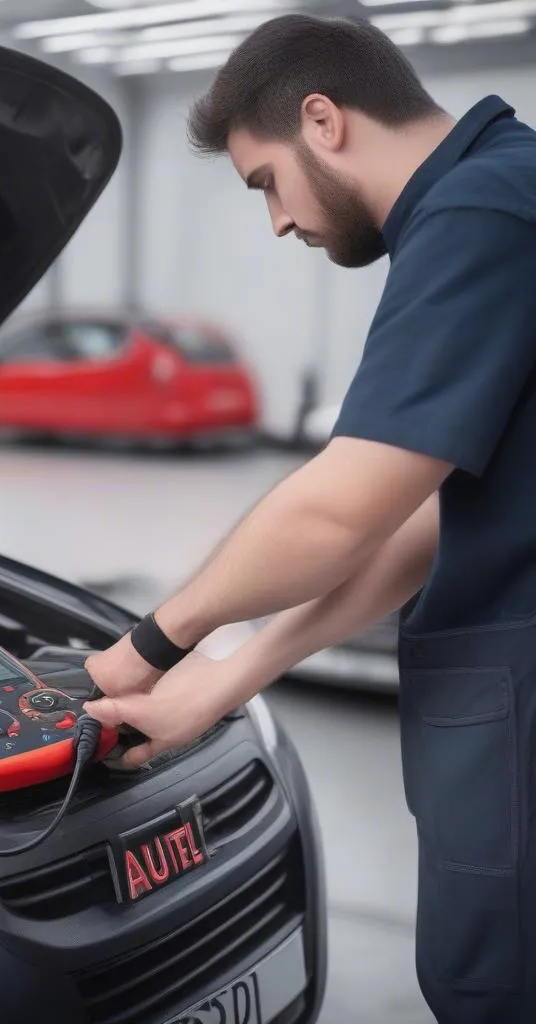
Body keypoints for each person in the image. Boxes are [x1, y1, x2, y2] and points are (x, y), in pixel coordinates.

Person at [81, 14, 536, 1024]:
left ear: (321, 121)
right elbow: (417, 518)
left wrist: (150, 645)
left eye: (264, 184)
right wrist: (226, 680)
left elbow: (337, 508)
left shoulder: (481, 213)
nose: (277, 224)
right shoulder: (507, 190)